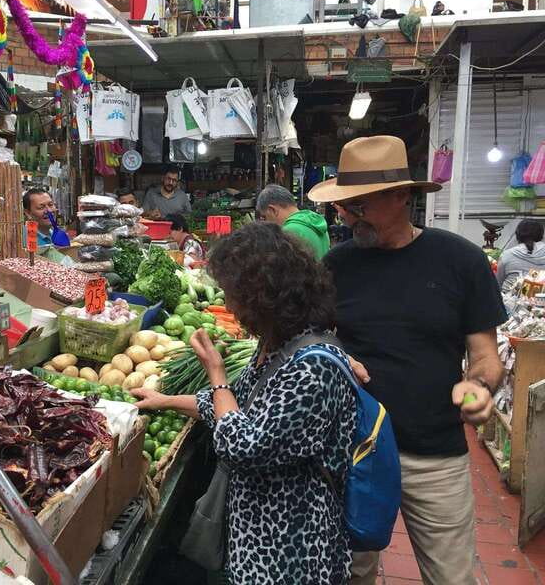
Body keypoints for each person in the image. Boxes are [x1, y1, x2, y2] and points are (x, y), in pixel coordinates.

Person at [308, 136, 507, 585]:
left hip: (433, 453)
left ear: (402, 196)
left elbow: (486, 358)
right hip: (355, 451)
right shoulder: (337, 265)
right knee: (350, 573)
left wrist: (479, 388)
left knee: (451, 576)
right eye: (343, 206)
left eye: (359, 205)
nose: (346, 215)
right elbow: (316, 342)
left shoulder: (460, 260)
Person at [132, 222, 357, 584]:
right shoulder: (278, 346)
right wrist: (165, 399)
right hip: (256, 534)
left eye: (232, 295)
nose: (228, 306)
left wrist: (216, 373)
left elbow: (243, 446)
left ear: (262, 297)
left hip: (289, 547)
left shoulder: (313, 365)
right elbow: (232, 405)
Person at [257, 184, 331, 259]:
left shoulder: (288, 231)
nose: (265, 222)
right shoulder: (316, 223)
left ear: (272, 210)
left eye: (264, 217)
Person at [496, 219, 545, 293]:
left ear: (518, 235)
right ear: (541, 235)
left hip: (510, 301)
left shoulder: (507, 254)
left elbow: (498, 283)